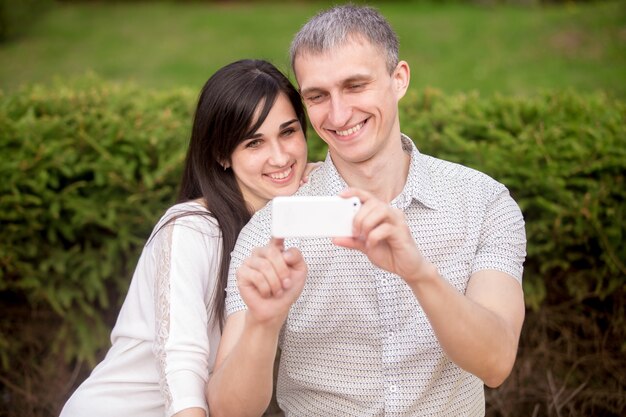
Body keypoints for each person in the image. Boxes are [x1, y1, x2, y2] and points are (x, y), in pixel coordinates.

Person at [207, 4, 527, 417]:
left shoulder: (483, 202)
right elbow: (228, 412)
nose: (338, 115)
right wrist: (263, 324)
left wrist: (418, 272)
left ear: (399, 80)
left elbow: (496, 363)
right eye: (317, 96)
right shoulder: (270, 232)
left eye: (355, 85)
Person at [59, 59, 312, 417]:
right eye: (254, 143)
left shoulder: (289, 214)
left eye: (288, 132)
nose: (280, 156)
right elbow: (183, 365)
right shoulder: (191, 230)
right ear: (222, 154)